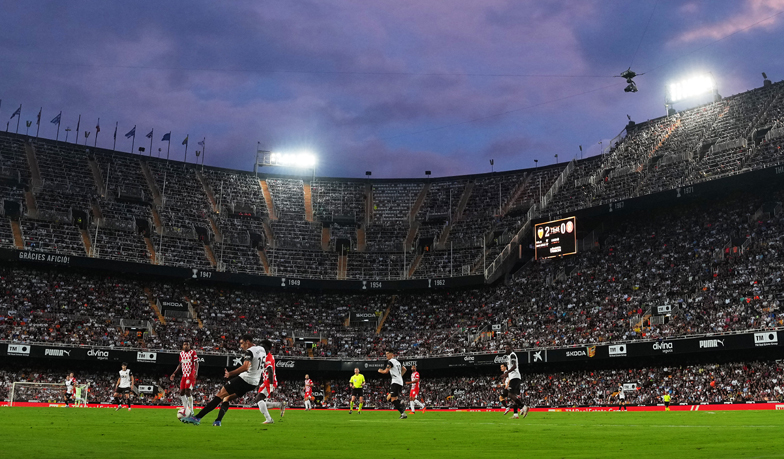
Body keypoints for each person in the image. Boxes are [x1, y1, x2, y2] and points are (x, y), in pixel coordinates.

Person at [182, 334, 265, 427]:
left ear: (248, 342)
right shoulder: (262, 350)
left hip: (245, 379)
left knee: (219, 395)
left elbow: (246, 367)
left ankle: (197, 418)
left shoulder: (249, 351)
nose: (241, 346)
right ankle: (217, 421)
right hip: (254, 383)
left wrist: (230, 374)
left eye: (242, 343)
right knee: (227, 398)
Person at [250, 339, 286, 424]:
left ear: (266, 349)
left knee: (259, 399)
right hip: (266, 381)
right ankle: (279, 405)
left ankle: (269, 419)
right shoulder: (265, 355)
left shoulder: (268, 357)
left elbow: (270, 371)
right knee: (258, 401)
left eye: (262, 348)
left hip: (270, 381)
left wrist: (270, 386)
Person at [170, 340, 198, 417]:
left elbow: (196, 363)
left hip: (190, 374)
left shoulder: (193, 352)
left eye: (187, 345)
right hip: (184, 375)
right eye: (184, 345)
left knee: (187, 392)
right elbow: (180, 365)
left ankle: (191, 411)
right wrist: (174, 373)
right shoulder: (181, 353)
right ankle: (186, 409)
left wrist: (195, 372)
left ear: (189, 346)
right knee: (181, 392)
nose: (186, 346)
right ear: (182, 346)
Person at [501, 344, 529, 419]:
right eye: (505, 347)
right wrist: (506, 376)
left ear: (511, 348)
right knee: (513, 396)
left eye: (507, 347)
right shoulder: (509, 357)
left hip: (515, 377)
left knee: (510, 395)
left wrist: (507, 373)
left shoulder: (512, 355)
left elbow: (514, 366)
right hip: (514, 377)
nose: (506, 349)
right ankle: (516, 414)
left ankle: (523, 407)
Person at [378, 349, 407, 419]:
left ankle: (403, 413)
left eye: (388, 354)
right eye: (386, 354)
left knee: (392, 399)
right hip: (399, 381)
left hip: (395, 382)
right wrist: (399, 376)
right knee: (390, 398)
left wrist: (380, 371)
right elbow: (404, 369)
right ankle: (401, 403)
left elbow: (386, 371)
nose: (386, 355)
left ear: (392, 354)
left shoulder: (390, 362)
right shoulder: (397, 362)